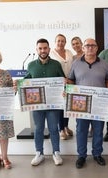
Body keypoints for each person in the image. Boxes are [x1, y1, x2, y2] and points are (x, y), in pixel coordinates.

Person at [67, 38, 108, 169]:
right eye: (87, 45)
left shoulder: (104, 64)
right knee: (81, 130)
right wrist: (68, 92)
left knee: (98, 130)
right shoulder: (76, 64)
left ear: (97, 48)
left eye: (93, 45)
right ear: (83, 48)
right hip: (81, 105)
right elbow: (70, 80)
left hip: (99, 103)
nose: (90, 48)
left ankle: (97, 154)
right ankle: (81, 156)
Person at [25, 38, 65, 166]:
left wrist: (64, 86)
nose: (43, 50)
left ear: (49, 49)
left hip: (53, 104)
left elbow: (62, 79)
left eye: (45, 48)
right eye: (40, 48)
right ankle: (39, 153)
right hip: (37, 105)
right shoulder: (31, 65)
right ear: (37, 50)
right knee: (38, 129)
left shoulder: (56, 64)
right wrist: (18, 84)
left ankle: (56, 152)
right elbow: (26, 81)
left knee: (54, 128)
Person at [50, 34, 74, 140]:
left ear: (65, 42)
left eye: (63, 41)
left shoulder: (69, 52)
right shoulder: (51, 53)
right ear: (55, 42)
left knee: (67, 107)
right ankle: (61, 130)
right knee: (60, 108)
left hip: (69, 83)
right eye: (58, 41)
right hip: (58, 85)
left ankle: (66, 126)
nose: (60, 43)